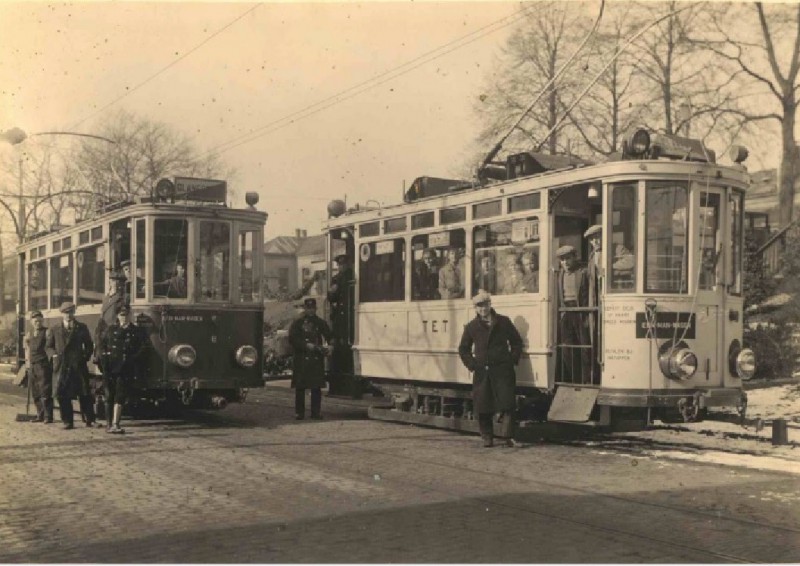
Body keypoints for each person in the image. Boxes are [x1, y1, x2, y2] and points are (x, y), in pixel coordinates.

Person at [458, 290, 523, 448]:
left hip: (503, 370)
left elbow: (516, 342)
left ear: (490, 305)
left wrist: (511, 360)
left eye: (485, 305)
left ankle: (509, 437)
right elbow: (463, 349)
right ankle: (487, 437)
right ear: (475, 308)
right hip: (483, 372)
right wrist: (473, 365)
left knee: (507, 404)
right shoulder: (471, 327)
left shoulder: (503, 322)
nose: (483, 309)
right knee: (483, 406)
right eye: (479, 306)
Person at [46, 302, 96, 430]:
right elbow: (48, 347)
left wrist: (84, 358)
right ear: (62, 314)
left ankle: (90, 419)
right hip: (62, 366)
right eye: (66, 313)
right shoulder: (55, 328)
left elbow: (89, 345)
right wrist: (54, 356)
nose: (68, 315)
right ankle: (67, 421)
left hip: (78, 366)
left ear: (74, 313)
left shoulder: (81, 327)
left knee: (84, 393)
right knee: (63, 395)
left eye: (70, 312)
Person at [99, 305, 147, 434]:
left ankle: (116, 423)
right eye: (121, 315)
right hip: (110, 367)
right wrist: (103, 360)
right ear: (117, 316)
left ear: (129, 316)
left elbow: (143, 347)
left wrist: (132, 359)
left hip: (125, 368)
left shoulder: (136, 331)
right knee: (109, 395)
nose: (123, 318)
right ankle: (109, 424)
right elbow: (102, 345)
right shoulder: (110, 330)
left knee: (120, 395)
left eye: (125, 315)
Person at [288, 297, 333, 420]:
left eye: (312, 308)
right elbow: (292, 339)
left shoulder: (320, 322)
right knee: (300, 387)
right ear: (305, 308)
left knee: (316, 387)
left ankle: (315, 412)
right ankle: (299, 412)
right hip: (301, 357)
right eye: (308, 308)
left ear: (316, 309)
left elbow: (329, 335)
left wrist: (330, 346)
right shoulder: (298, 323)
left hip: (315, 358)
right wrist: (305, 345)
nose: (311, 311)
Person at [555, 245, 591, 383]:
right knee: (567, 348)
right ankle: (573, 379)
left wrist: (587, 314)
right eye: (562, 260)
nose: (565, 262)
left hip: (580, 312)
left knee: (584, 346)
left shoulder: (582, 272)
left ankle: (586, 379)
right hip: (565, 312)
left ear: (574, 258)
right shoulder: (559, 275)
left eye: (568, 259)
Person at [327, 255, 355, 396]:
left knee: (344, 347)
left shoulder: (351, 276)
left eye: (343, 264)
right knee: (339, 347)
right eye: (339, 265)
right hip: (341, 318)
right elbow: (331, 297)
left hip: (349, 316)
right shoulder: (337, 279)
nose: (341, 267)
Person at [24, 310, 53, 424]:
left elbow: (50, 348)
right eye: (35, 321)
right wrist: (27, 363)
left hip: (42, 365)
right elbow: (27, 349)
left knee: (45, 391)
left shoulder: (47, 332)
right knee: (35, 391)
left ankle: (48, 416)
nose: (37, 323)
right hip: (32, 365)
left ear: (42, 320)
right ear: (31, 322)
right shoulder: (29, 333)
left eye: (39, 320)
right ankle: (39, 415)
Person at [94, 270, 127, 365]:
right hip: (104, 333)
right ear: (110, 282)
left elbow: (123, 315)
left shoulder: (124, 297)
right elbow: (102, 315)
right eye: (113, 281)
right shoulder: (106, 298)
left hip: (115, 334)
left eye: (118, 281)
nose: (115, 284)